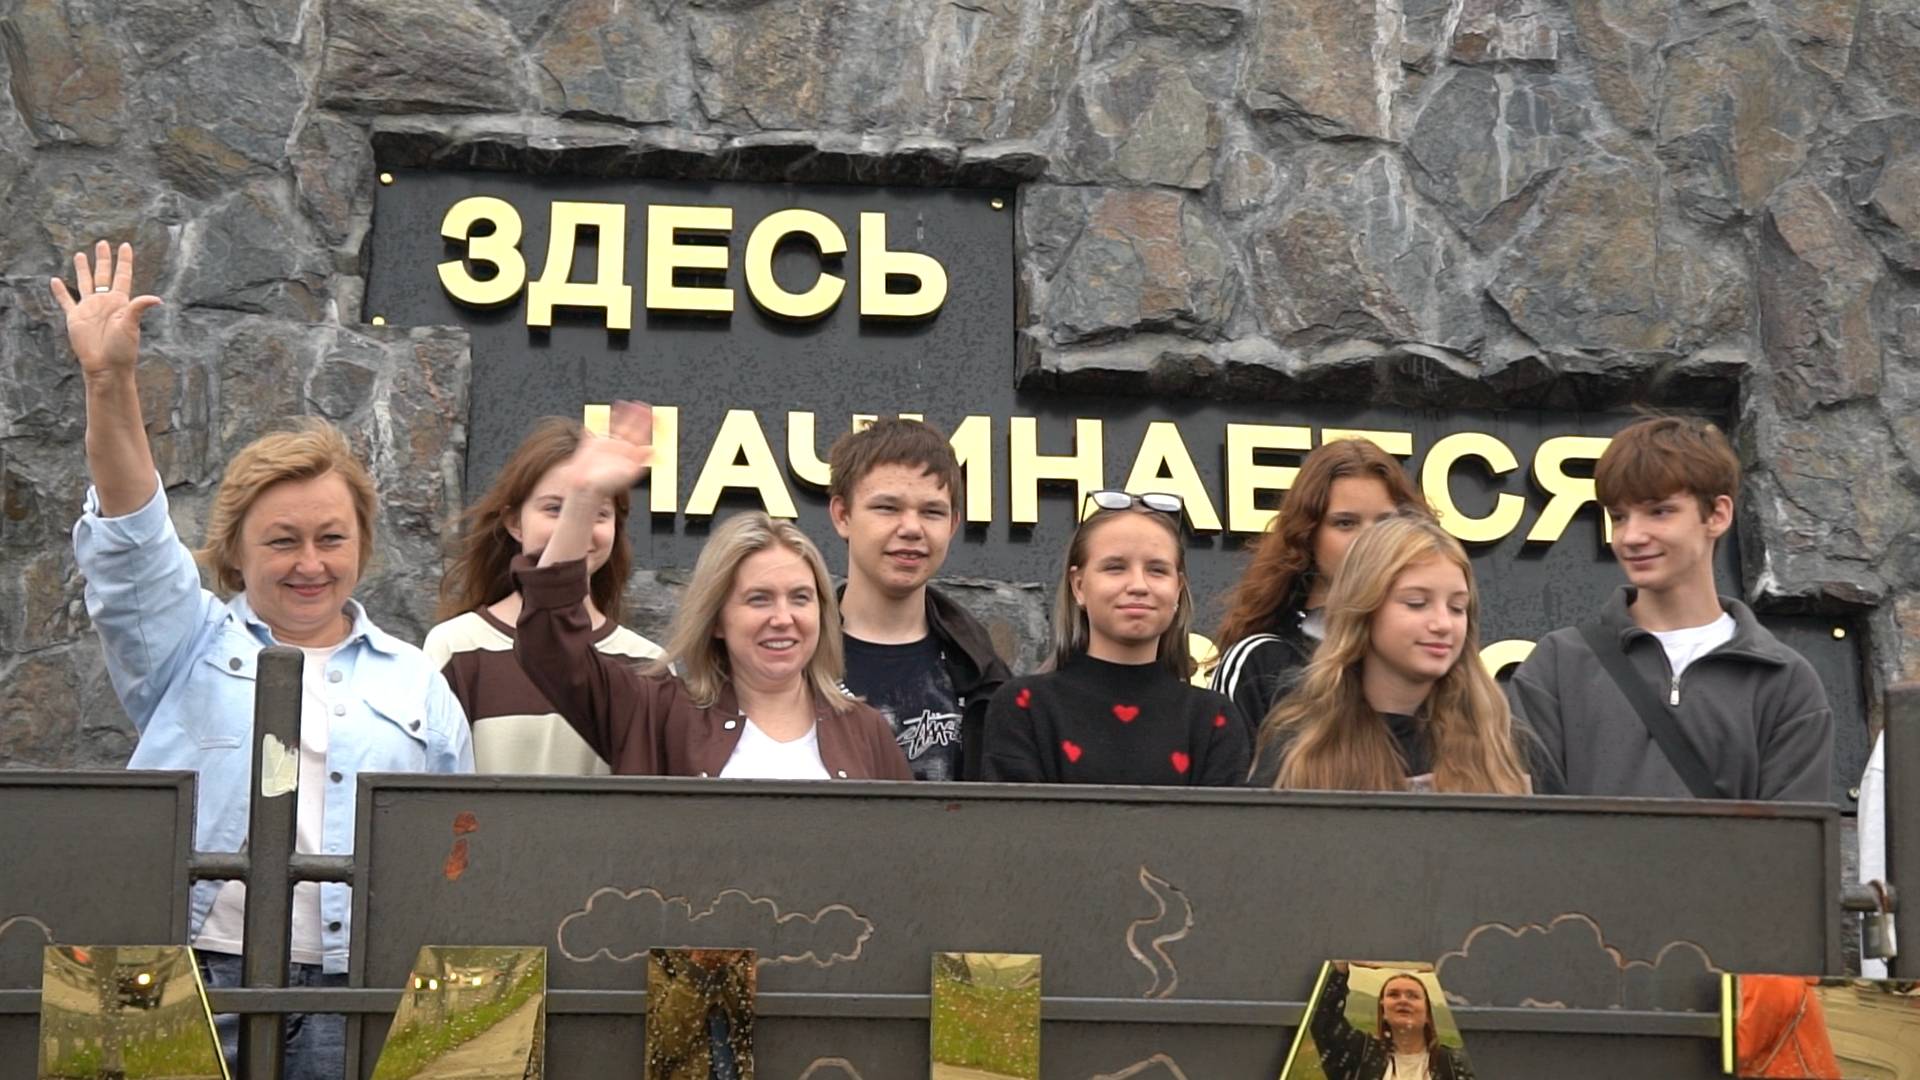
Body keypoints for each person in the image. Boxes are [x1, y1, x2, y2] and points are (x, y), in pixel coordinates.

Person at [56, 241, 473, 1080]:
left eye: (331, 538)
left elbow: (457, 862)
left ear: (362, 546)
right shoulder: (185, 645)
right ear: (236, 553)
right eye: (282, 541)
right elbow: (132, 538)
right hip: (180, 975)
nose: (310, 563)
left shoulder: (418, 683)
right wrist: (110, 381)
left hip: (359, 988)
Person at [511, 402, 911, 780]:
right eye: (759, 599)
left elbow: (908, 831)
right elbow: (548, 644)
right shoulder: (655, 712)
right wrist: (585, 495)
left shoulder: (865, 732)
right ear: (717, 619)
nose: (783, 618)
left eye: (800, 598)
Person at [1508, 416, 1833, 800]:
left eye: (1659, 511)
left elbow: (1791, 836)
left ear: (1718, 515)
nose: (1631, 536)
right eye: (1619, 517)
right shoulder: (1557, 665)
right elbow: (1530, 826)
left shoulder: (1785, 682)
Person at [425, 417, 664, 774]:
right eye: (555, 509)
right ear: (514, 523)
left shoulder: (649, 662)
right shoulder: (455, 647)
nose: (576, 525)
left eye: (598, 512)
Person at [981, 491, 1250, 786]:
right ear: (1079, 586)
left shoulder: (1212, 718)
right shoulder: (1024, 706)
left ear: (1178, 588)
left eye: (1157, 570)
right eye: (1115, 568)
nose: (1138, 585)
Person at [1250, 514, 1533, 794]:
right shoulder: (1301, 744)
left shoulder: (1504, 744)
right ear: (1364, 609)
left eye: (1457, 608)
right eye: (1416, 603)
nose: (1443, 624)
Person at [826, 418, 1010, 780]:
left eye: (931, 512)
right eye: (887, 508)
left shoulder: (983, 675)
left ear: (952, 525)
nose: (911, 528)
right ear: (843, 516)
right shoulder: (793, 659)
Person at [1210, 438, 1428, 734]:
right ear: (1307, 535)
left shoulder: (1425, 654)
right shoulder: (1259, 660)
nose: (1369, 540)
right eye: (1345, 523)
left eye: (1384, 523)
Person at [1307, 964, 1474, 1080]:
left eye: (1413, 996)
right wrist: (1340, 970)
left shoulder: (1454, 1063)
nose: (1403, 1000)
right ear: (1383, 1012)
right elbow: (1323, 1023)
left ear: (1428, 1016)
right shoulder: (1361, 1054)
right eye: (1393, 994)